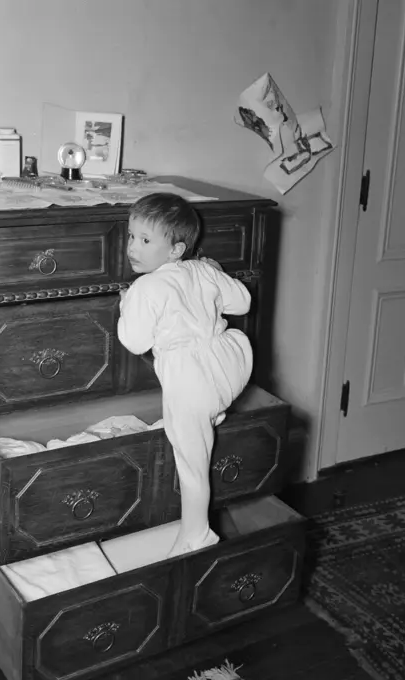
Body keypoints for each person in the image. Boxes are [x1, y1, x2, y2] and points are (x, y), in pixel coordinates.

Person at [117, 192, 253, 557]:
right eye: (132, 236)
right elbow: (242, 302)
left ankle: (196, 533)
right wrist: (214, 271)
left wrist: (126, 302)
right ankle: (214, 410)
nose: (133, 247)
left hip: (189, 382)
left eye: (146, 241)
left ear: (175, 250)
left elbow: (133, 341)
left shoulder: (146, 287)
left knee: (192, 463)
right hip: (228, 366)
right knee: (204, 408)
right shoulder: (201, 269)